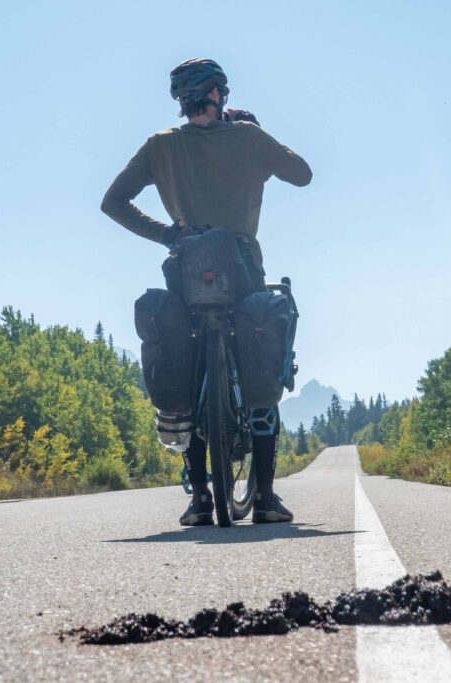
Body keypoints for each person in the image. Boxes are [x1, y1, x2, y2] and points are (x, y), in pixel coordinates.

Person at [102, 58, 312, 526]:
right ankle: (265, 498)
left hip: (185, 268)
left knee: (190, 364)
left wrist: (166, 234)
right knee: (259, 359)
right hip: (242, 266)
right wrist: (257, 132)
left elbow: (112, 202)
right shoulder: (248, 137)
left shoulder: (160, 146)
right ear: (219, 93)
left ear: (181, 100)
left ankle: (199, 498)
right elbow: (302, 174)